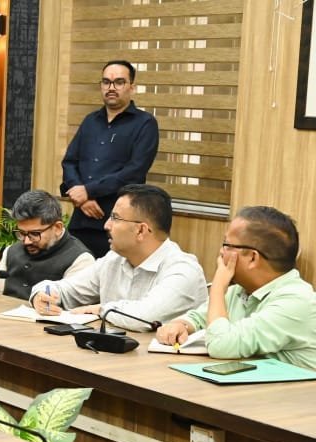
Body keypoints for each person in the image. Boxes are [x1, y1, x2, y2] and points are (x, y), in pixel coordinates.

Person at [30, 184, 207, 331]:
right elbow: (66, 289)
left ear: (141, 230)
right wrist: (42, 295)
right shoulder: (114, 259)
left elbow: (144, 317)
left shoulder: (183, 269)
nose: (106, 225)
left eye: (115, 218)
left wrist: (101, 309)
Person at [156, 207, 316, 368]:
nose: (221, 252)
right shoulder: (240, 289)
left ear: (252, 258)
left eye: (227, 245)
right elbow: (199, 318)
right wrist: (181, 325)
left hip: (295, 384)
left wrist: (218, 286)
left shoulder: (296, 301)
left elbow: (221, 345)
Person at [61, 60, 158, 258]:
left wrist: (89, 191)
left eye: (119, 82)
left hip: (119, 224)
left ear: (132, 87)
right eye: (106, 82)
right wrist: (82, 198)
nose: (111, 88)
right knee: (76, 273)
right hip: (81, 220)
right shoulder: (90, 121)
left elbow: (134, 172)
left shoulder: (145, 123)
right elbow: (69, 162)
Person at [0, 191, 94, 300]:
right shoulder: (11, 250)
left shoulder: (81, 260)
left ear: (57, 228)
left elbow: (71, 305)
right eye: (22, 233)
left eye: (35, 234)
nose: (26, 241)